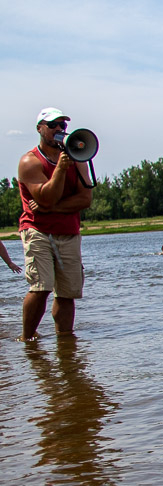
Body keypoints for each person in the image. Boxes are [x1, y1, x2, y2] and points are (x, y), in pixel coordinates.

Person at [17, 107, 93, 341]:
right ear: (40, 128)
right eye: (53, 125)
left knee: (68, 292)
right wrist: (60, 169)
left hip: (68, 230)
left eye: (63, 125)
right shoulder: (30, 162)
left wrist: (53, 208)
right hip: (37, 229)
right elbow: (46, 196)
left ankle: (66, 342)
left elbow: (85, 199)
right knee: (42, 287)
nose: (59, 129)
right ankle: (28, 339)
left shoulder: (77, 157)